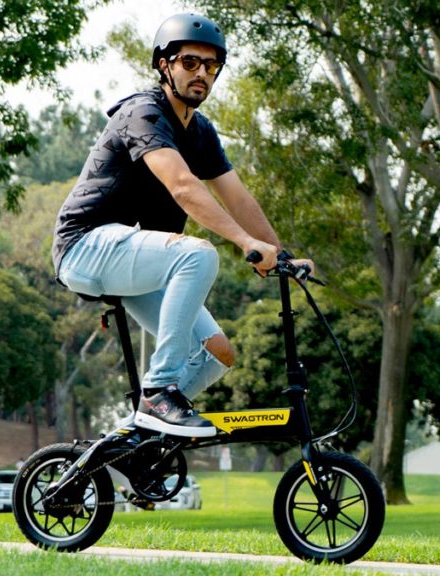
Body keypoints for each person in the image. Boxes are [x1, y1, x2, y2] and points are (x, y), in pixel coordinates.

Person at [51, 13, 310, 437]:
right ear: (164, 65)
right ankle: (158, 393)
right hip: (86, 245)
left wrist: (278, 253)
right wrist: (245, 243)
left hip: (133, 257)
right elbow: (183, 185)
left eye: (212, 67)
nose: (202, 74)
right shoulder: (143, 113)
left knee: (216, 353)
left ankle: (136, 442)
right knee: (197, 252)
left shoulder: (201, 132)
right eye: (191, 62)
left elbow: (237, 197)